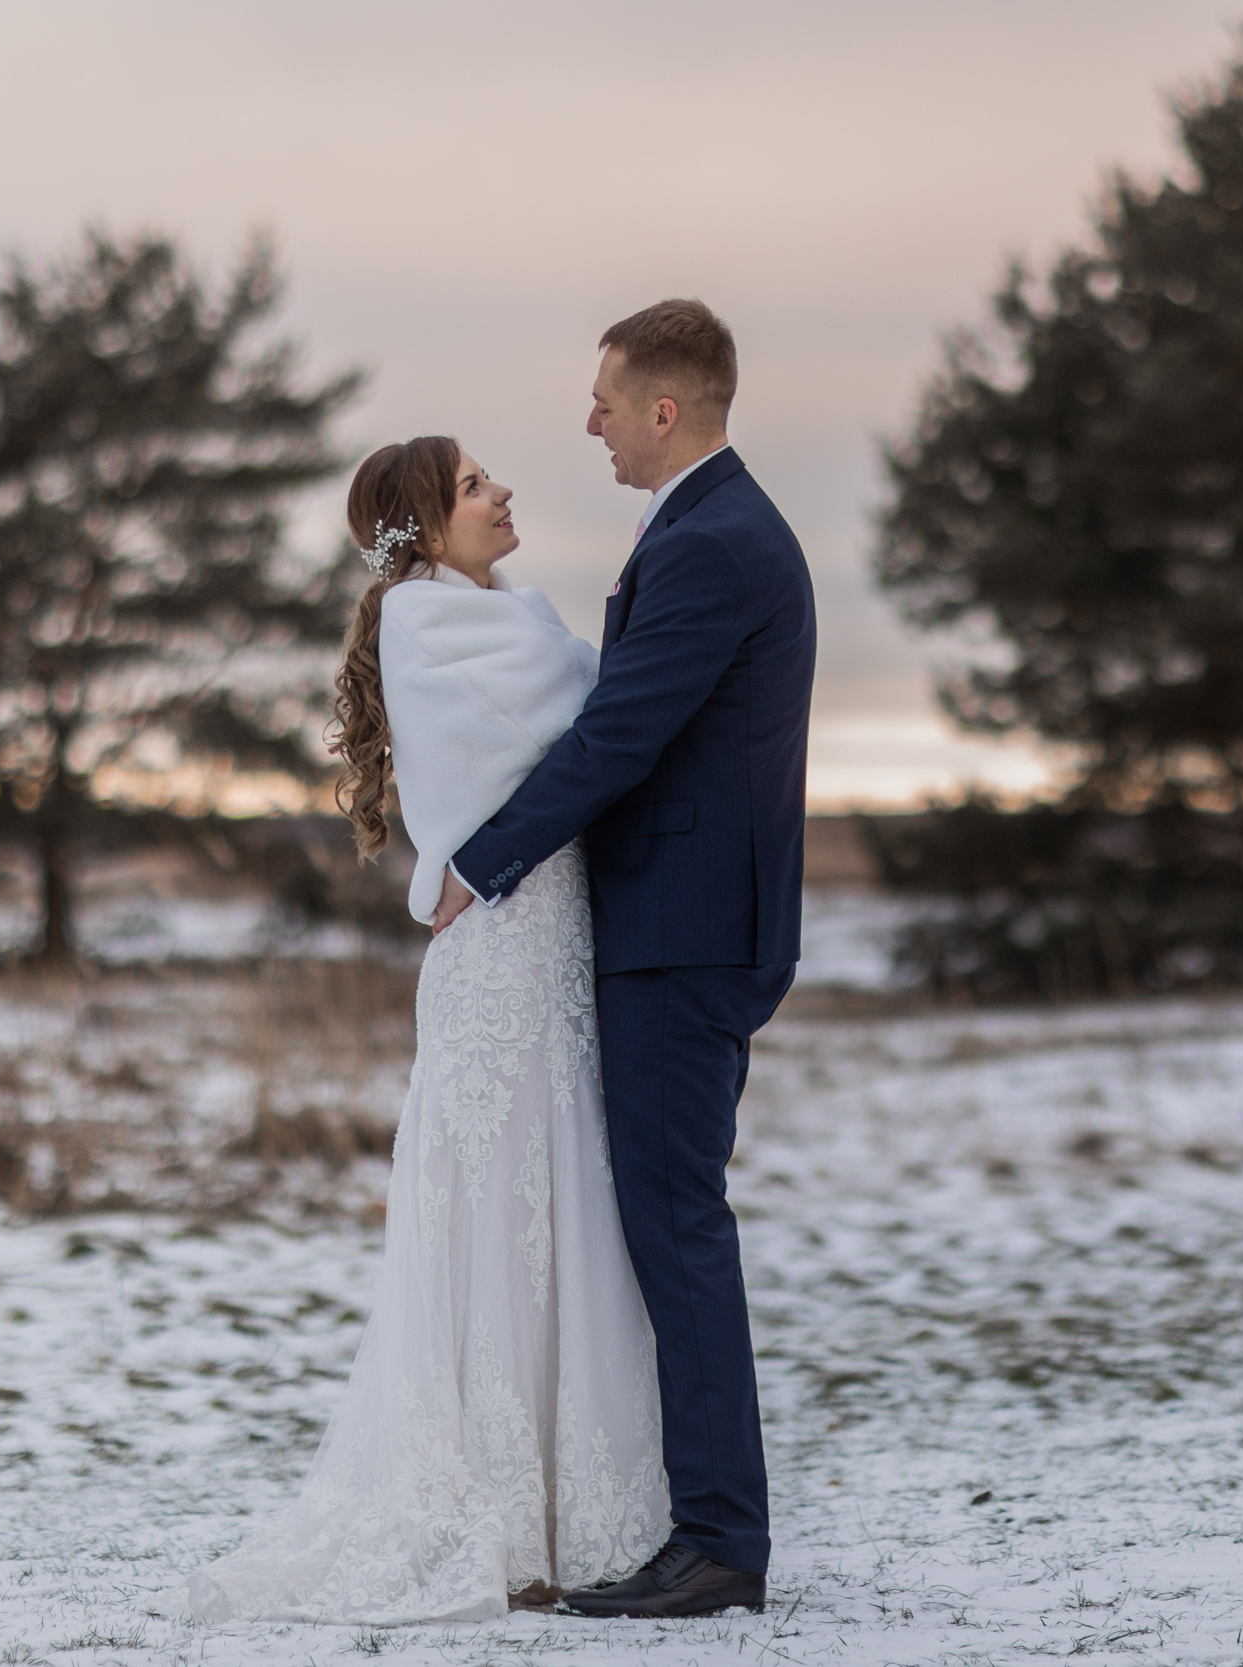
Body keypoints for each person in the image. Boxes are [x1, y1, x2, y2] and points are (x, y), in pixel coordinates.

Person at [186, 436, 668, 1625]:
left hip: (542, 940)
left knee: (560, 1204)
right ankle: (508, 1523)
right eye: (471, 486)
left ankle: (565, 1510)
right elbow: (594, 704)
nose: (502, 493)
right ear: (419, 522)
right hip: (501, 961)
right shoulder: (433, 621)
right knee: (507, 1216)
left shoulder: (475, 612)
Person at [433, 298, 815, 1619]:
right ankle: (700, 1521)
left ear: (665, 407)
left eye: (605, 399)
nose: (587, 422)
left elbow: (623, 736)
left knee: (677, 1229)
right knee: (669, 1224)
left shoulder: (714, 541)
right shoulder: (714, 527)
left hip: (680, 938)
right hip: (685, 927)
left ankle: (717, 1540)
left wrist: (484, 860)